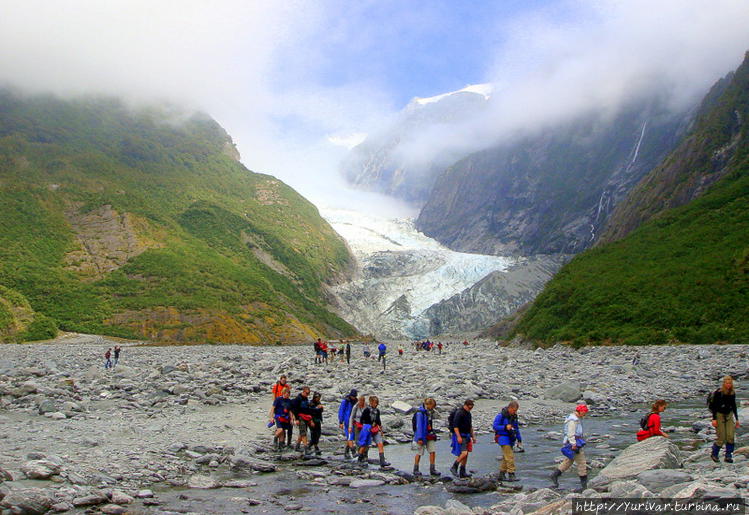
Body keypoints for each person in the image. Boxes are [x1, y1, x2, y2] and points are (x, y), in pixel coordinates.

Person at [550, 403, 589, 491]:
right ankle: (584, 487)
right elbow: (570, 433)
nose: (585, 414)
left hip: (574, 442)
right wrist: (573, 444)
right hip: (574, 444)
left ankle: (555, 475)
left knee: (569, 460)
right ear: (580, 411)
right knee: (582, 463)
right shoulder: (573, 420)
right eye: (584, 412)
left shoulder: (575, 418)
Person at [710, 376, 740, 463]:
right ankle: (714, 454)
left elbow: (734, 406)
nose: (728, 385)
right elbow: (714, 407)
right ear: (724, 383)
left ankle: (728, 455)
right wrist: (714, 419)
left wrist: (737, 419)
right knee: (721, 436)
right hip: (719, 415)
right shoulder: (719, 393)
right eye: (726, 383)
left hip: (729, 414)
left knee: (730, 436)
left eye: (730, 383)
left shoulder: (732, 393)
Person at [493, 401, 523, 482]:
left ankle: (502, 474)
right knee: (510, 456)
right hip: (503, 438)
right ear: (509, 408)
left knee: (506, 457)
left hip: (511, 438)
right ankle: (511, 474)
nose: (515, 412)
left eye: (516, 410)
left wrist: (519, 439)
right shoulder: (501, 416)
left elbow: (516, 428)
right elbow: (495, 426)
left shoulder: (514, 417)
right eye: (514, 410)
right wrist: (505, 427)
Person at [357, 395, 390, 468]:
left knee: (380, 443)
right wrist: (365, 428)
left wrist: (381, 430)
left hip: (375, 429)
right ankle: (360, 459)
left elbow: (378, 421)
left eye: (377, 403)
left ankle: (382, 461)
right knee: (364, 445)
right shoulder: (367, 410)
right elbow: (362, 420)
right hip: (367, 429)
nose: (376, 404)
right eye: (375, 403)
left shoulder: (377, 411)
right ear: (371, 402)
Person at [413, 398, 439, 476]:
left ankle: (432, 469)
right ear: (429, 405)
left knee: (432, 451)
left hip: (428, 434)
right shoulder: (420, 413)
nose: (433, 408)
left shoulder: (428, 412)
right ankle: (416, 469)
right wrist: (420, 438)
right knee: (419, 452)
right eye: (432, 406)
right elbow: (419, 426)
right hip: (421, 436)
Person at [450, 399, 476, 478]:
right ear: (465, 405)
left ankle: (462, 471)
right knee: (463, 453)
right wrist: (458, 437)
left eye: (471, 408)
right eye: (469, 407)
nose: (470, 409)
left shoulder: (468, 414)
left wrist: (473, 436)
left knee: (466, 454)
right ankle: (454, 466)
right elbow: (455, 426)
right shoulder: (459, 413)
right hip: (461, 435)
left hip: (467, 435)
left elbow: (470, 426)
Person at [268, 386, 294, 451]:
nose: (287, 395)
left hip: (285, 418)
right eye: (286, 394)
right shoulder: (278, 399)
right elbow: (273, 408)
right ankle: (275, 439)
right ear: (283, 393)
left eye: (288, 394)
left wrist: (292, 419)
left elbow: (290, 411)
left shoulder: (289, 401)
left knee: (283, 433)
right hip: (278, 417)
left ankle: (280, 446)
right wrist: (271, 417)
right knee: (280, 430)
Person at [291, 386, 314, 454]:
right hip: (300, 417)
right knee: (303, 432)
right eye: (307, 393)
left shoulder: (306, 399)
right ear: (303, 391)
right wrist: (296, 419)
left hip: (305, 417)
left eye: (309, 393)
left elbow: (307, 409)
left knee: (302, 432)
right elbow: (295, 409)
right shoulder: (298, 399)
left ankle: (297, 446)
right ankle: (306, 448)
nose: (308, 394)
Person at [338, 389, 358, 459]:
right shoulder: (345, 402)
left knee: (350, 436)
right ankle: (353, 451)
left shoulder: (356, 402)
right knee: (350, 436)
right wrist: (341, 421)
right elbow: (341, 411)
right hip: (347, 421)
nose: (353, 397)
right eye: (353, 396)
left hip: (353, 421)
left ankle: (346, 451)